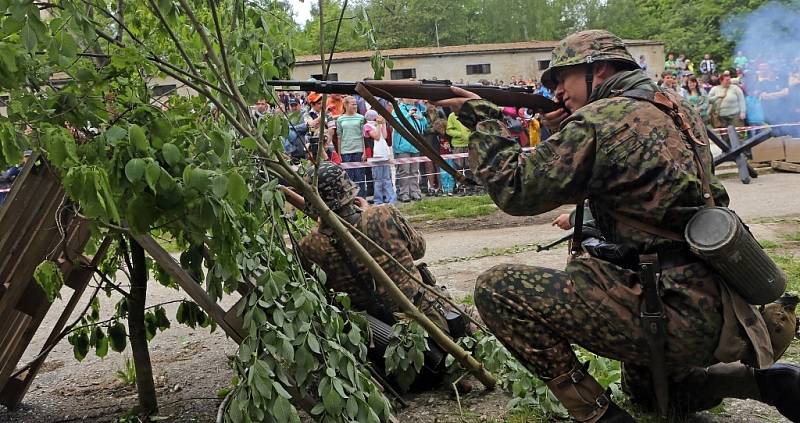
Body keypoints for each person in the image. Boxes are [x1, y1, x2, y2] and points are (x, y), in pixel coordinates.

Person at [435, 29, 799, 423]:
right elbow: (629, 174)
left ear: (600, 69)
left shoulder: (598, 120)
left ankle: (600, 416)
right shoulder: (673, 105)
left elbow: (517, 193)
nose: (557, 92)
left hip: (665, 309)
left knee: (497, 289)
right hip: (716, 305)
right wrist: (566, 129)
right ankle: (764, 383)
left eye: (563, 78)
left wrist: (486, 121)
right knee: (648, 392)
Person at [295, 162, 457, 334]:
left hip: (372, 332)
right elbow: (418, 249)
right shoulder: (383, 214)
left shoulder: (310, 246)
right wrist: (367, 214)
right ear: (348, 191)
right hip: (423, 313)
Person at [392, 99, 427, 202]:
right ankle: (403, 193)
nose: (412, 98)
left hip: (416, 145)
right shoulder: (397, 109)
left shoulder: (417, 109)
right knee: (404, 171)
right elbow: (395, 124)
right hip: (402, 146)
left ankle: (415, 191)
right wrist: (407, 115)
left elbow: (424, 125)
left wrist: (422, 118)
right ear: (403, 98)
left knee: (415, 171)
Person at [336, 96, 367, 196]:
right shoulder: (340, 119)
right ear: (345, 105)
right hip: (346, 151)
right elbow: (339, 137)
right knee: (348, 178)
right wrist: (339, 153)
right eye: (352, 104)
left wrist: (364, 152)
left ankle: (362, 198)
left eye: (355, 104)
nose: (355, 106)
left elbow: (363, 136)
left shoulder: (361, 118)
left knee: (360, 177)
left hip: (358, 150)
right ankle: (350, 200)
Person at [364, 110, 395, 205]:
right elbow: (376, 137)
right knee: (378, 180)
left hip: (384, 154)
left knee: (387, 179)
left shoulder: (379, 125)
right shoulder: (367, 126)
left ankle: (391, 199)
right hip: (375, 155)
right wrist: (378, 125)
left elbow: (384, 136)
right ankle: (378, 200)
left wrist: (384, 124)